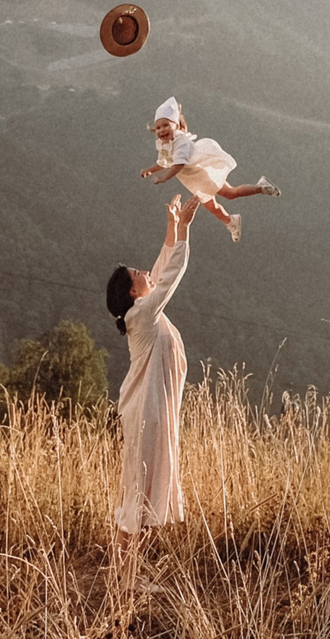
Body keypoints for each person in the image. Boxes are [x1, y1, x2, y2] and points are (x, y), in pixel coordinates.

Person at [108, 195, 198, 554]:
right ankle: (124, 580)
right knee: (140, 492)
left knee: (143, 490)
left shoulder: (143, 309)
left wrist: (173, 225)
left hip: (154, 410)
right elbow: (170, 275)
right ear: (133, 291)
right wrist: (186, 231)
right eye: (138, 275)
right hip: (148, 411)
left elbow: (160, 271)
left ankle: (128, 577)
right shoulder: (143, 313)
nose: (145, 273)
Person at [142, 97, 278, 242]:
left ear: (175, 125)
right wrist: (150, 170)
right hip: (195, 180)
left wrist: (164, 178)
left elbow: (178, 164)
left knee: (229, 194)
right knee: (212, 205)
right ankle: (231, 221)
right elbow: (164, 162)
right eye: (158, 127)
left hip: (202, 175)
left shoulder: (180, 142)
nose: (161, 130)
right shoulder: (166, 145)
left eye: (165, 125)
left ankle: (260, 188)